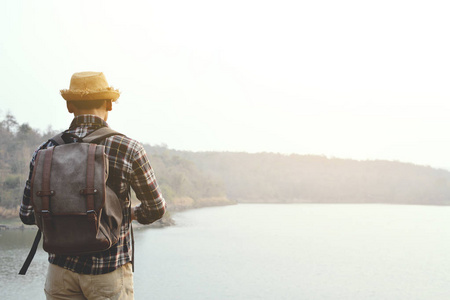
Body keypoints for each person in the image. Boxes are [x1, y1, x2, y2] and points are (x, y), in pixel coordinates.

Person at [19, 71, 166, 299]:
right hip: (108, 273)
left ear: (69, 106)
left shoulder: (44, 151)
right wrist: (130, 214)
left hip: (60, 273)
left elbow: (27, 215)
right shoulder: (128, 149)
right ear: (109, 104)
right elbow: (155, 208)